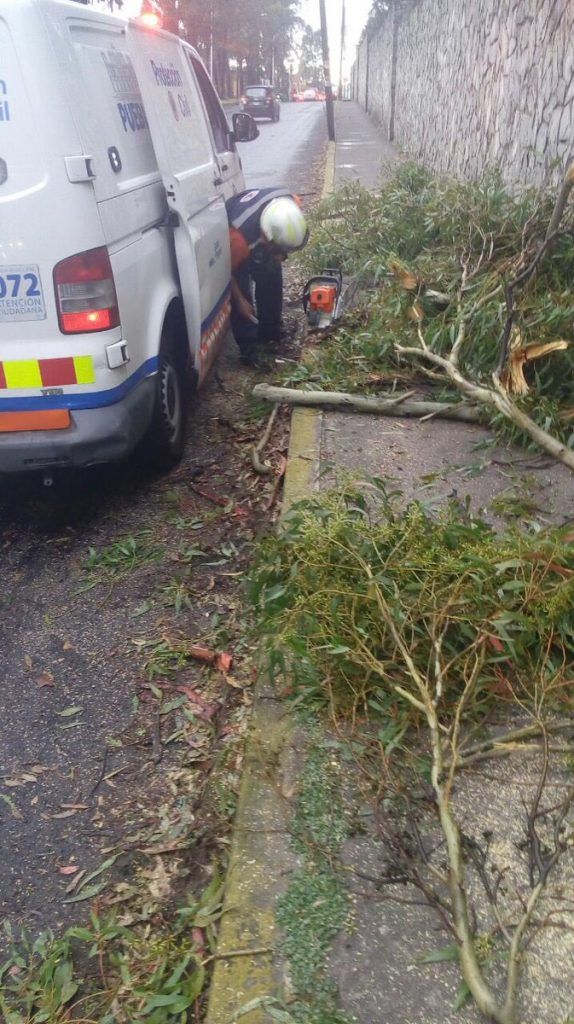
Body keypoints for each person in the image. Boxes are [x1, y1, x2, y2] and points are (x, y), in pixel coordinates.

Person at [225, 187, 309, 364]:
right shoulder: (239, 240)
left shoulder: (290, 204)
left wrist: (279, 254)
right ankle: (249, 347)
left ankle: (270, 331)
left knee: (271, 272)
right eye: (279, 249)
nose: (283, 257)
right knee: (241, 291)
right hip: (233, 242)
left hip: (258, 229)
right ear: (265, 237)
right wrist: (240, 300)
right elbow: (226, 272)